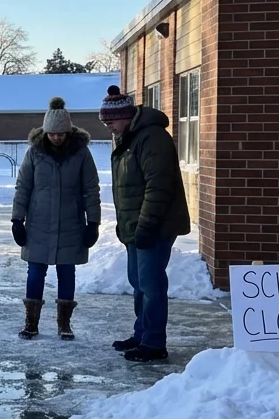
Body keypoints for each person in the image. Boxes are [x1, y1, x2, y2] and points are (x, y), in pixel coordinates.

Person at [99, 85, 191, 363]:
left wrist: (147, 224)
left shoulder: (151, 138)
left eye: (111, 121)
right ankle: (141, 334)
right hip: (135, 225)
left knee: (151, 286)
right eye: (105, 122)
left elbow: (158, 186)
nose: (109, 127)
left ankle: (154, 343)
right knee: (138, 282)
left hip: (155, 225)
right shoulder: (129, 138)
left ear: (126, 116)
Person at [11, 97, 101, 340]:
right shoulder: (34, 154)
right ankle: (31, 322)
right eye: (52, 134)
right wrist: (17, 219)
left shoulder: (81, 154)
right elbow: (23, 187)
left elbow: (91, 189)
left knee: (67, 272)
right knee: (35, 272)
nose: (57, 138)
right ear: (45, 132)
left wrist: (93, 222)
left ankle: (64, 324)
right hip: (38, 224)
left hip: (71, 223)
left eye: (61, 133)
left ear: (69, 132)